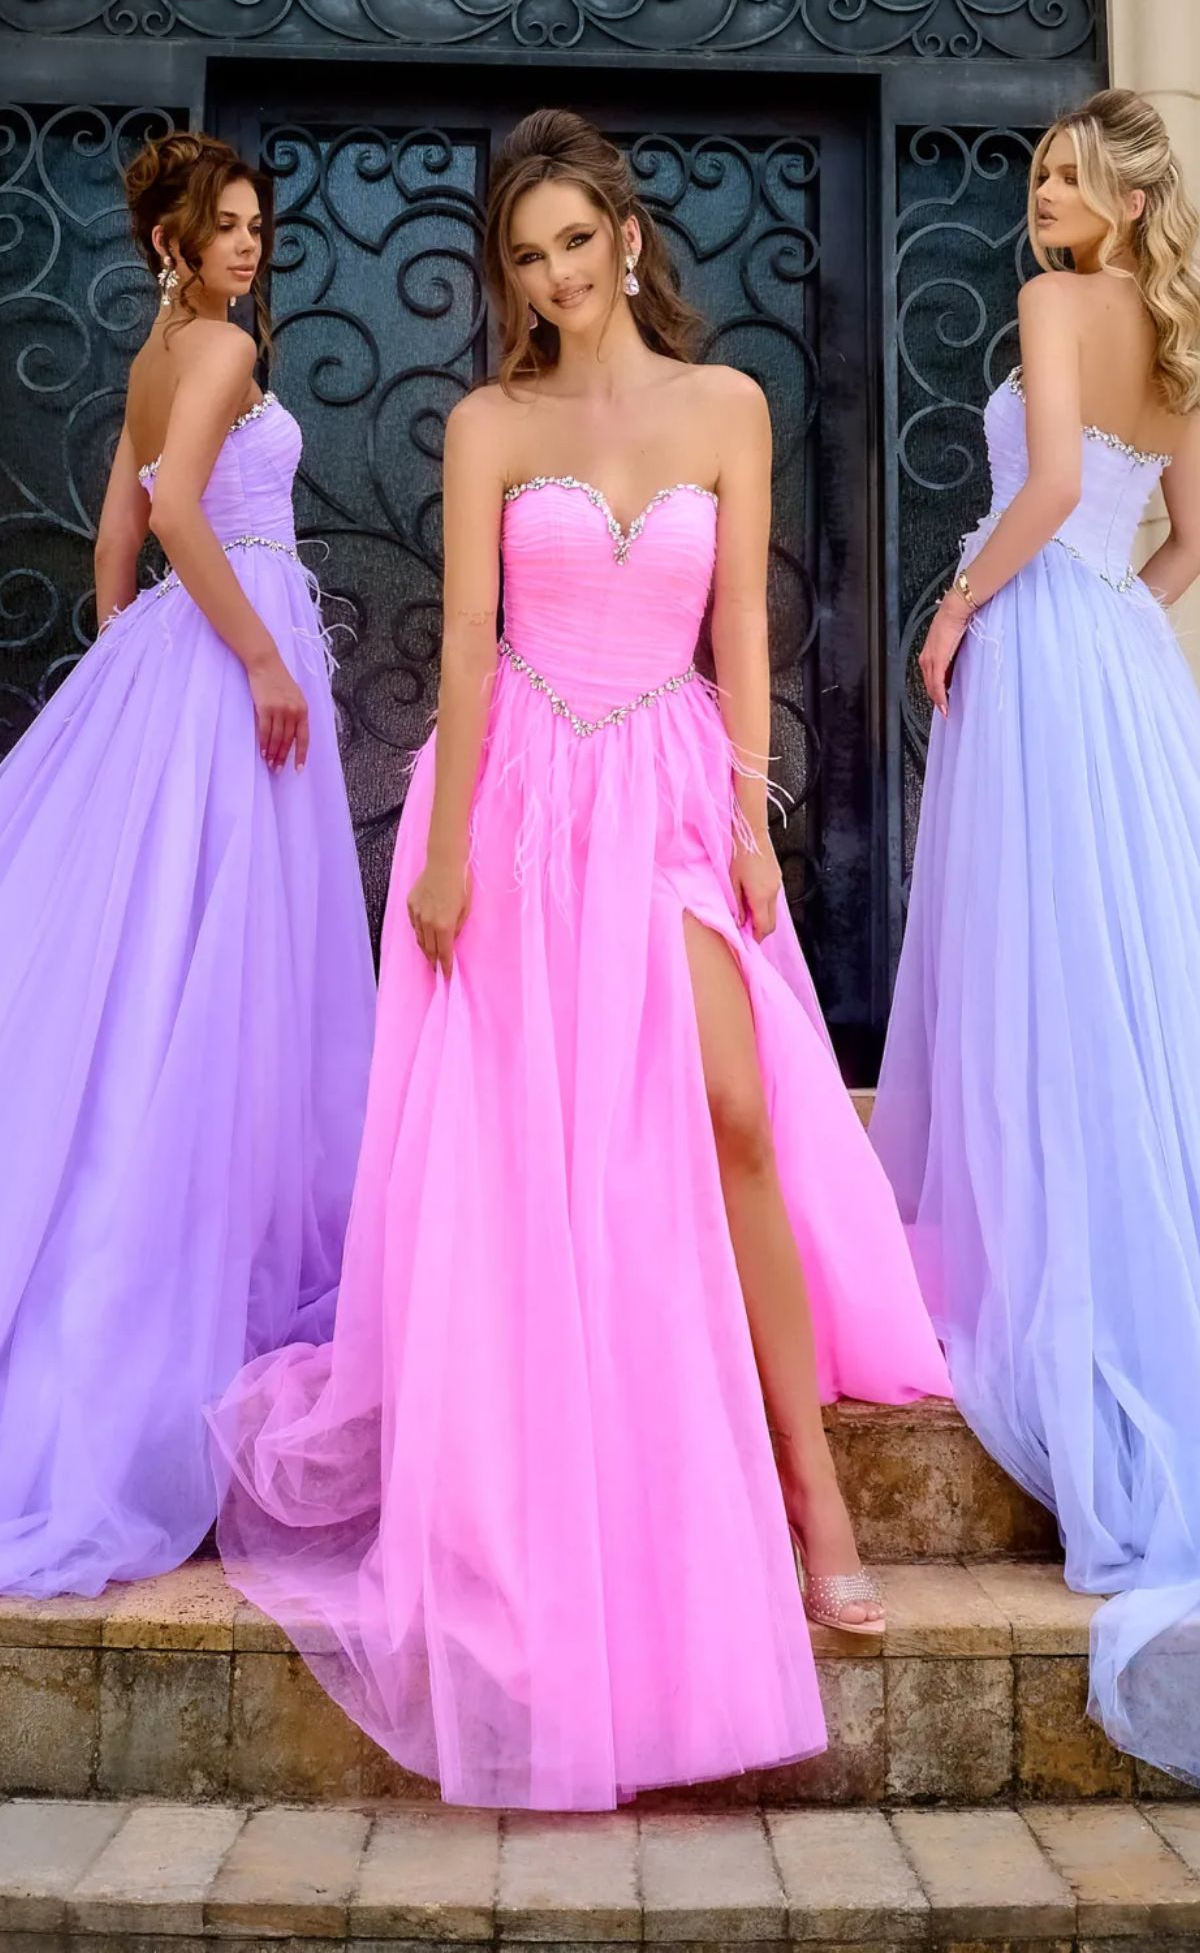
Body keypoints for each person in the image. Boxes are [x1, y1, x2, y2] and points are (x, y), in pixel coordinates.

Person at [209, 107, 950, 1812]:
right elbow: (470, 647)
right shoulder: (490, 422)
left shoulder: (729, 404)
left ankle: (811, 1493)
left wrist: (754, 820)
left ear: (628, 234)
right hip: (528, 801)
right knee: (546, 1155)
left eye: (574, 241)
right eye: (526, 256)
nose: (554, 276)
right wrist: (443, 849)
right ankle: (565, 1492)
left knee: (735, 1113)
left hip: (673, 791)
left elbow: (742, 626)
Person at [871, 88, 1200, 1780]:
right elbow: (1185, 544)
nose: (1042, 193)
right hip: (1126, 668)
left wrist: (964, 602)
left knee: (1036, 967)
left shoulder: (1056, 303)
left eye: (1070, 175)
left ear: (1127, 203)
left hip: (1043, 651)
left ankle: (1035, 1253)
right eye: (1040, 170)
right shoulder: (1178, 336)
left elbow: (1057, 478)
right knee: (1126, 979)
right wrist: (1120, 625)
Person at [0, 131, 375, 1597]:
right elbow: (166, 517)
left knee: (168, 963)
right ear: (170, 241)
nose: (247, 246)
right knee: (234, 965)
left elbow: (118, 540)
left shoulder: (159, 358)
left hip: (183, 663)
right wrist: (259, 659)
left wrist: (131, 660)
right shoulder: (218, 349)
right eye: (223, 226)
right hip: (234, 660)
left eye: (256, 225)